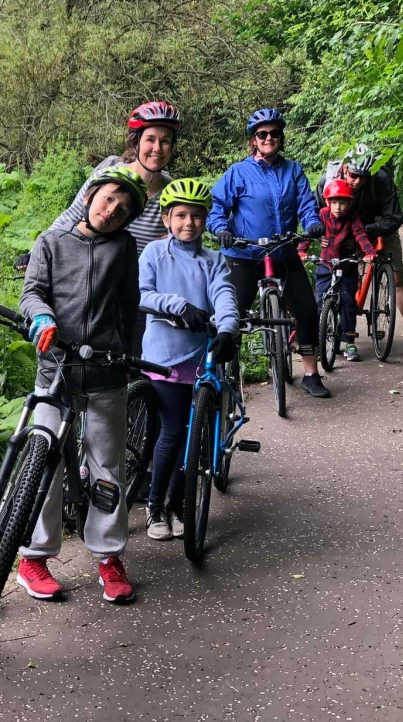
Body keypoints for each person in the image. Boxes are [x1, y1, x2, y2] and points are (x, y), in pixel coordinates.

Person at [16, 165, 145, 604]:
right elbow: (31, 292)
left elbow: (131, 307)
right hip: (55, 370)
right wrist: (42, 317)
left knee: (107, 465)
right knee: (44, 459)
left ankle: (108, 557)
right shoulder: (50, 243)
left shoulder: (124, 248)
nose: (113, 211)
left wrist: (130, 355)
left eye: (123, 208)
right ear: (90, 195)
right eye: (109, 198)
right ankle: (33, 557)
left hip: (106, 371)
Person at [137, 178, 240, 540]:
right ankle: (154, 506)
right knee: (172, 432)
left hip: (201, 358)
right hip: (164, 358)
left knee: (192, 439)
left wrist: (227, 328)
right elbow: (143, 295)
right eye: (180, 215)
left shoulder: (214, 260)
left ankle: (179, 503)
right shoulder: (153, 253)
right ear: (166, 219)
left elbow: (224, 294)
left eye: (196, 216)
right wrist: (180, 307)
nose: (188, 223)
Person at [207, 108, 327, 397]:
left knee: (308, 310)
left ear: (281, 137)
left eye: (274, 133)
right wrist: (222, 228)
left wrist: (312, 223)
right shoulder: (237, 172)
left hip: (283, 253)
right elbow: (216, 208)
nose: (269, 138)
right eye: (262, 134)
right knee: (230, 314)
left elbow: (306, 204)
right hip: (245, 254)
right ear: (253, 139)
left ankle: (311, 373)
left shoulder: (293, 170)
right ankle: (223, 376)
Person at [324, 144, 403, 357]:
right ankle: (336, 325)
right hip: (346, 226)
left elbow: (393, 217)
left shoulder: (381, 179)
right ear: (345, 168)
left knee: (398, 278)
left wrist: (367, 231)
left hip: (379, 225)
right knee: (342, 272)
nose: (358, 181)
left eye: (364, 177)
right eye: (354, 175)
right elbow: (321, 211)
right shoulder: (331, 178)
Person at [47, 101, 182, 255]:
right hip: (97, 269)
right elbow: (72, 215)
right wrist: (37, 251)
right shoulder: (108, 177)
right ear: (136, 143)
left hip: (142, 277)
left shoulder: (173, 192)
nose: (157, 148)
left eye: (165, 141)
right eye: (150, 139)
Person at [301, 178, 376, 362]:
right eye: (334, 202)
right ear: (327, 202)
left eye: (342, 202)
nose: (338, 207)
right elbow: (311, 233)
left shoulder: (353, 216)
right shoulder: (322, 214)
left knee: (348, 302)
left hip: (347, 265)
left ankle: (349, 342)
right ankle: (319, 341)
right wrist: (302, 250)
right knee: (320, 301)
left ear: (350, 203)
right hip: (326, 264)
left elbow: (360, 233)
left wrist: (369, 252)